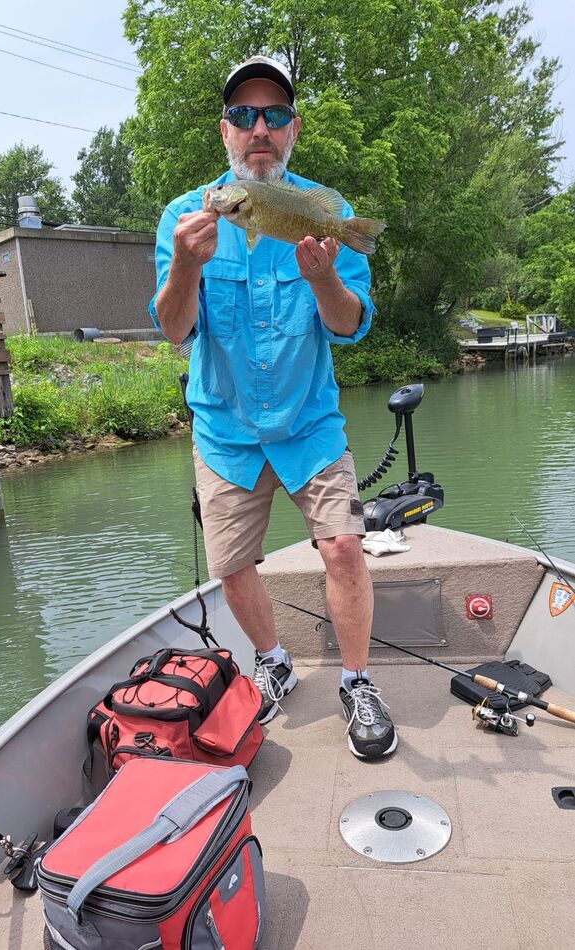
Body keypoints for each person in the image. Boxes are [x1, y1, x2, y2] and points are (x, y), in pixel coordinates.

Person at [149, 56, 396, 759]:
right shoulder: (183, 217)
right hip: (225, 427)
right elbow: (172, 329)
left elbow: (349, 324)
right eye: (244, 115)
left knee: (344, 547)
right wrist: (184, 266)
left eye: (275, 115)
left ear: (292, 129)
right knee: (231, 564)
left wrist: (322, 281)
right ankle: (275, 660)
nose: (260, 127)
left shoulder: (326, 209)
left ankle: (355, 681)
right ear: (223, 130)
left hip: (309, 421)